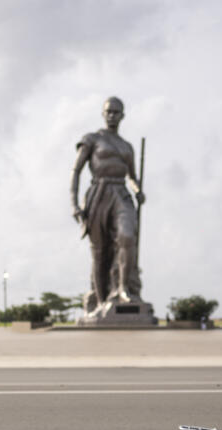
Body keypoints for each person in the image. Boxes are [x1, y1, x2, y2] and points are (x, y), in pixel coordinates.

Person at [70, 96, 145, 316]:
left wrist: (137, 189)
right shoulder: (92, 139)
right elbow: (76, 171)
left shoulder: (127, 147)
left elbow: (132, 176)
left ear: (122, 116)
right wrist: (75, 204)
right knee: (100, 252)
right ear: (103, 114)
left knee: (128, 236)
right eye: (109, 112)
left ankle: (123, 288)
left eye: (116, 112)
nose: (112, 116)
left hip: (120, 193)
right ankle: (101, 301)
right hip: (98, 194)